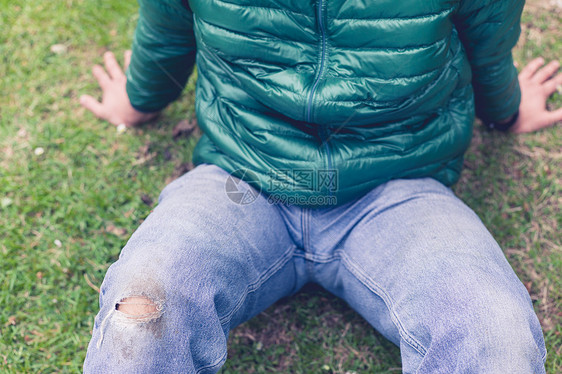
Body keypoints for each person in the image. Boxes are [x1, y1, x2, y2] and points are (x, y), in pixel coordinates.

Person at [81, 0, 562, 372]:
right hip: (240, 181)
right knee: (141, 307)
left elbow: (488, 46)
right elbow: (168, 34)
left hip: (398, 188)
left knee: (494, 328)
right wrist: (137, 102)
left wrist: (508, 112)